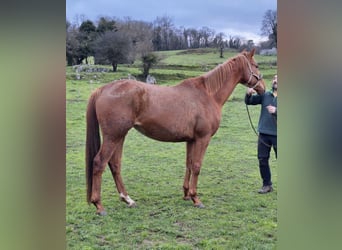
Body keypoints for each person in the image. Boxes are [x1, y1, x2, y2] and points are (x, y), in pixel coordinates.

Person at [245, 74, 277, 194]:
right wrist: (248, 95)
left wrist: (276, 111)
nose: (275, 80)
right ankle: (267, 185)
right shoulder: (265, 95)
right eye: (274, 78)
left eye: (278, 79)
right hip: (264, 133)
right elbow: (250, 102)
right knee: (262, 160)